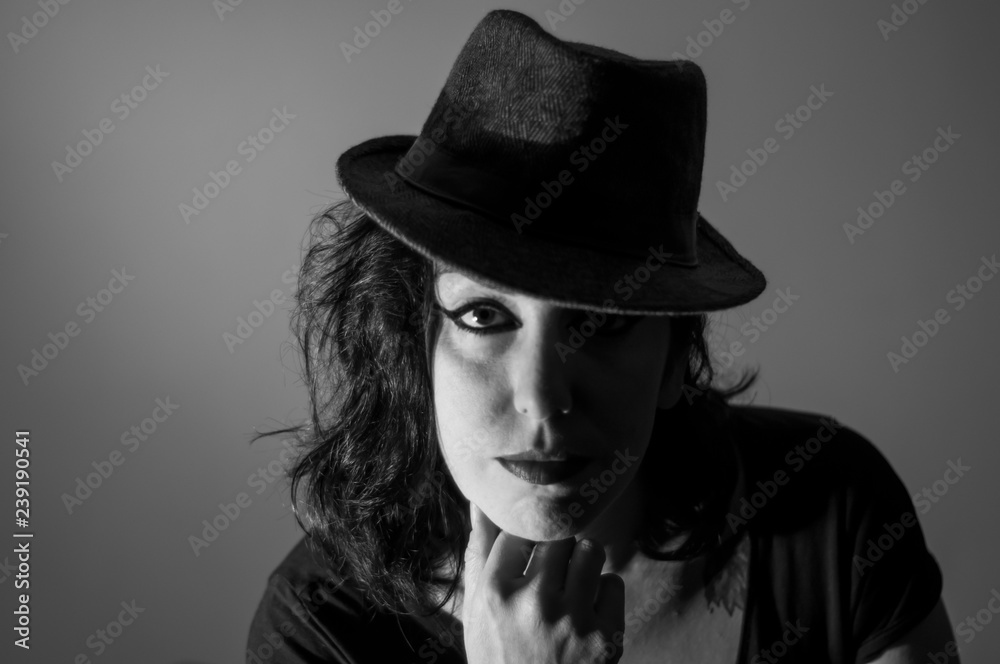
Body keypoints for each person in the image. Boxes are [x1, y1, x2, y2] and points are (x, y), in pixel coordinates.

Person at [246, 9, 957, 664]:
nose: (543, 397)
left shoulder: (831, 506)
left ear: (674, 358)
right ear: (413, 344)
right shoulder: (320, 627)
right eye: (484, 317)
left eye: (602, 324)